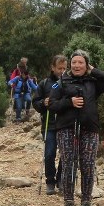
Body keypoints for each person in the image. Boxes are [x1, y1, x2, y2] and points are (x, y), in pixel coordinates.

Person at [49, 50, 104, 206]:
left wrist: (93, 71)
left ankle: (86, 205)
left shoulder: (93, 82)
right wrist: (69, 102)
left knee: (87, 166)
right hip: (66, 129)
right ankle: (69, 205)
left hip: (89, 129)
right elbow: (52, 104)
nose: (77, 65)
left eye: (81, 63)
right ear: (70, 64)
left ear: (86, 65)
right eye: (74, 62)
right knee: (69, 166)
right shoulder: (61, 82)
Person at [33, 55, 68, 194]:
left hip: (65, 123)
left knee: (66, 154)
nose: (62, 71)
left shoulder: (69, 82)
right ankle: (50, 181)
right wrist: (43, 103)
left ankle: (61, 179)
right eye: (59, 68)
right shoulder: (44, 83)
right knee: (49, 153)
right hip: (49, 124)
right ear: (52, 68)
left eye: (64, 68)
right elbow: (35, 102)